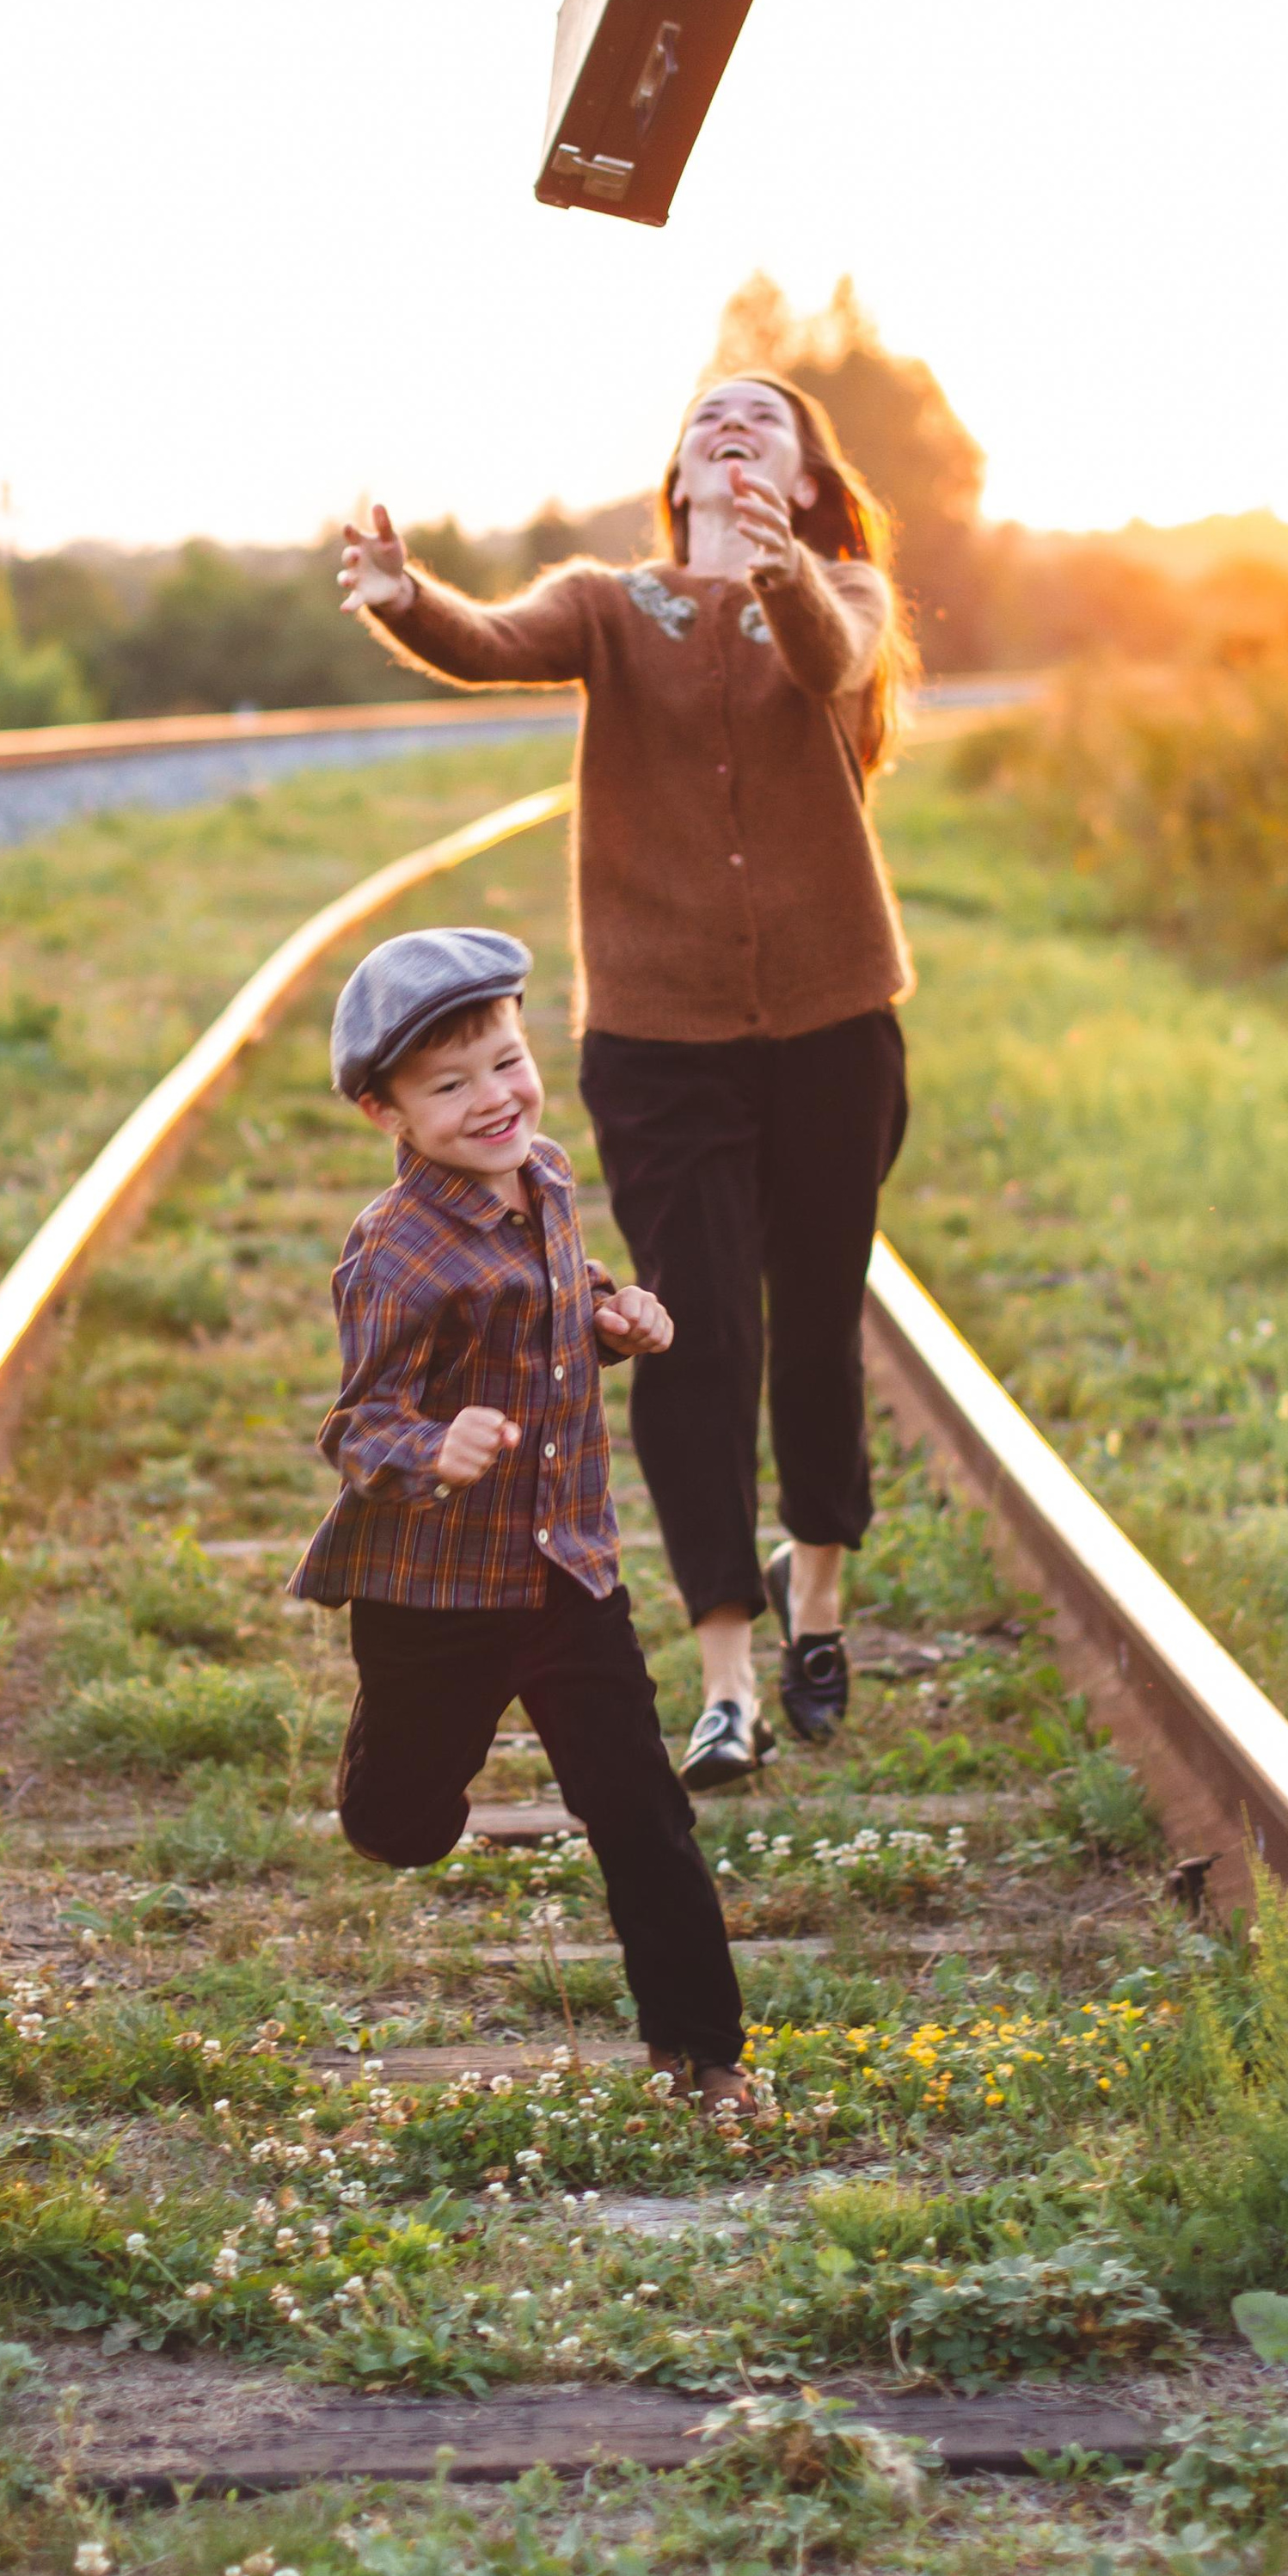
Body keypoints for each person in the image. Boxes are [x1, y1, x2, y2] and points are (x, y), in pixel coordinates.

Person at [335, 375, 914, 1792]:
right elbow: (490, 640)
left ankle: (816, 1596)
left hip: (834, 1023)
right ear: (677, 471)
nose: (731, 424)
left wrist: (778, 568)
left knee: (818, 1324)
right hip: (660, 1042)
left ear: (807, 478)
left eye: (764, 419)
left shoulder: (844, 592)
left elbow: (829, 660)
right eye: (709, 416)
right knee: (695, 1338)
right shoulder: (608, 604)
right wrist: (407, 599)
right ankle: (727, 1677)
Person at [290, 923, 751, 2104]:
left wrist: (614, 1318)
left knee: (639, 1810)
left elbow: (557, 1299)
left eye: (506, 1061)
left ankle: (701, 2054)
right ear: (387, 1113)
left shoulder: (544, 1176)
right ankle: (383, 1782)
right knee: (403, 1826)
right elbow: (357, 1425)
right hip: (432, 1594)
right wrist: (431, 1446)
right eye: (449, 1086)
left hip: (566, 1573)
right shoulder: (393, 1253)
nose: (494, 1098)